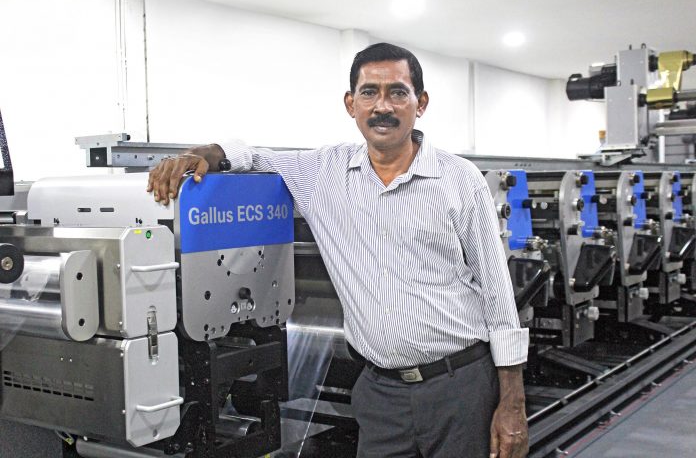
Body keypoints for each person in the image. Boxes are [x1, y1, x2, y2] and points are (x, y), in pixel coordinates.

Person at [147, 42, 529, 458]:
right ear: (351, 104)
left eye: (397, 92)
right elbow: (254, 157)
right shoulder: (323, 173)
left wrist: (512, 403)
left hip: (460, 388)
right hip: (380, 396)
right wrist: (207, 152)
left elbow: (498, 296)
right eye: (369, 93)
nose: (382, 105)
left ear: (420, 103)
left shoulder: (460, 180)